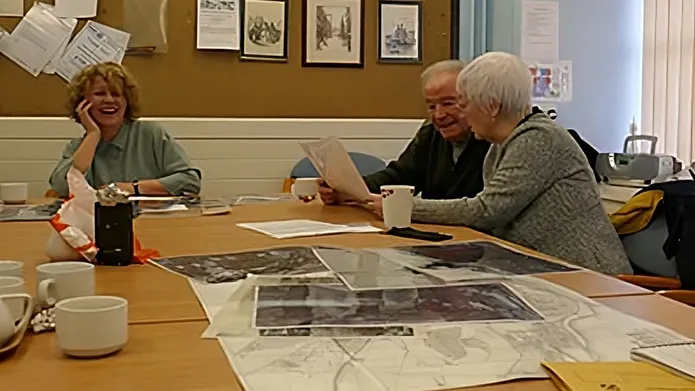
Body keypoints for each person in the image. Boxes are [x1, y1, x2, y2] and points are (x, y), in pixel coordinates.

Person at [383, 52, 631, 275]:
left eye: (465, 105)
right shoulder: (500, 145)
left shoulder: (538, 139)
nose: (464, 114)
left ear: (491, 107)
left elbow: (485, 211)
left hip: (589, 278)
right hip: (543, 271)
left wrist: (400, 206)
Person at [318, 60, 491, 206]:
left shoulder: (494, 142)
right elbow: (399, 176)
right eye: (431, 106)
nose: (438, 115)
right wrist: (347, 189)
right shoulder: (430, 134)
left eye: (448, 103)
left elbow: (484, 209)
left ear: (472, 99)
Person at [48, 62, 201, 198]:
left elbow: (189, 181)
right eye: (100, 93)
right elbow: (61, 189)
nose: (109, 100)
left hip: (151, 222)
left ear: (127, 101)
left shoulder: (151, 134)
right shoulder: (78, 147)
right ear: (82, 103)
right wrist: (93, 135)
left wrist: (129, 188)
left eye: (116, 94)